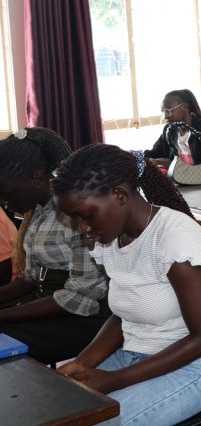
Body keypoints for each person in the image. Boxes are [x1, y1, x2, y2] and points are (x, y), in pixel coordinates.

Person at [53, 145, 201, 426]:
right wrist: (83, 363)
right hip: (133, 355)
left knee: (100, 422)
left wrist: (113, 380)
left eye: (85, 215)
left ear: (120, 195)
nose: (82, 228)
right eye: (74, 219)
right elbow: (123, 314)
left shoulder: (174, 238)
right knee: (59, 410)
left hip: (193, 365)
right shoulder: (109, 237)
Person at [0, 128, 110, 364]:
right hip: (48, 304)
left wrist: (4, 316)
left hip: (82, 318)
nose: (5, 204)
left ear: (37, 179)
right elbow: (29, 279)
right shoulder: (37, 213)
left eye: (8, 194)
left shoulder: (77, 215)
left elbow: (79, 297)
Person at [145, 89, 201, 169]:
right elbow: (154, 154)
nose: (165, 117)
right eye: (163, 112)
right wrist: (133, 156)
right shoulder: (169, 131)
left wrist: (175, 167)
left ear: (184, 107)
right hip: (175, 181)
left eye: (168, 111)